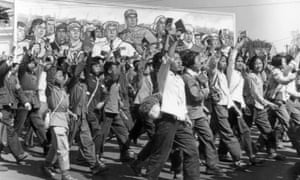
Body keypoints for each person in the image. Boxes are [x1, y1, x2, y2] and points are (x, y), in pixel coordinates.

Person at [143, 38, 200, 180]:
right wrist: (175, 41)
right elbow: (167, 57)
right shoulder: (163, 75)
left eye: (180, 59)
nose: (179, 61)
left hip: (180, 120)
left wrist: (186, 116)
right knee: (161, 154)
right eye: (176, 59)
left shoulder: (179, 78)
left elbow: (181, 101)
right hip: (167, 120)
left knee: (192, 151)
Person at [181, 50, 226, 176]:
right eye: (197, 59)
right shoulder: (187, 77)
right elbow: (196, 95)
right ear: (190, 62)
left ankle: (211, 165)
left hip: (198, 113)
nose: (200, 61)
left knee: (208, 137)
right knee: (185, 144)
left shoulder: (196, 75)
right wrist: (206, 88)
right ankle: (178, 167)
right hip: (189, 114)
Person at [247, 55, 286, 160]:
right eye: (256, 63)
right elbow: (255, 94)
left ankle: (271, 152)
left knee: (268, 131)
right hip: (251, 108)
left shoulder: (261, 75)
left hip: (260, 108)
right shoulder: (251, 76)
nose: (258, 65)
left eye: (260, 63)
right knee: (244, 132)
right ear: (252, 65)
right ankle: (244, 154)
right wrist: (268, 103)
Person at [42, 65, 78, 180]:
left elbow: (75, 77)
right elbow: (49, 78)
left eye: (62, 75)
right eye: (58, 75)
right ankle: (65, 174)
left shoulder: (64, 89)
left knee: (55, 146)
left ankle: (46, 165)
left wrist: (71, 113)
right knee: (63, 148)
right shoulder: (50, 89)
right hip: (56, 121)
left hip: (64, 120)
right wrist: (54, 63)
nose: (61, 77)